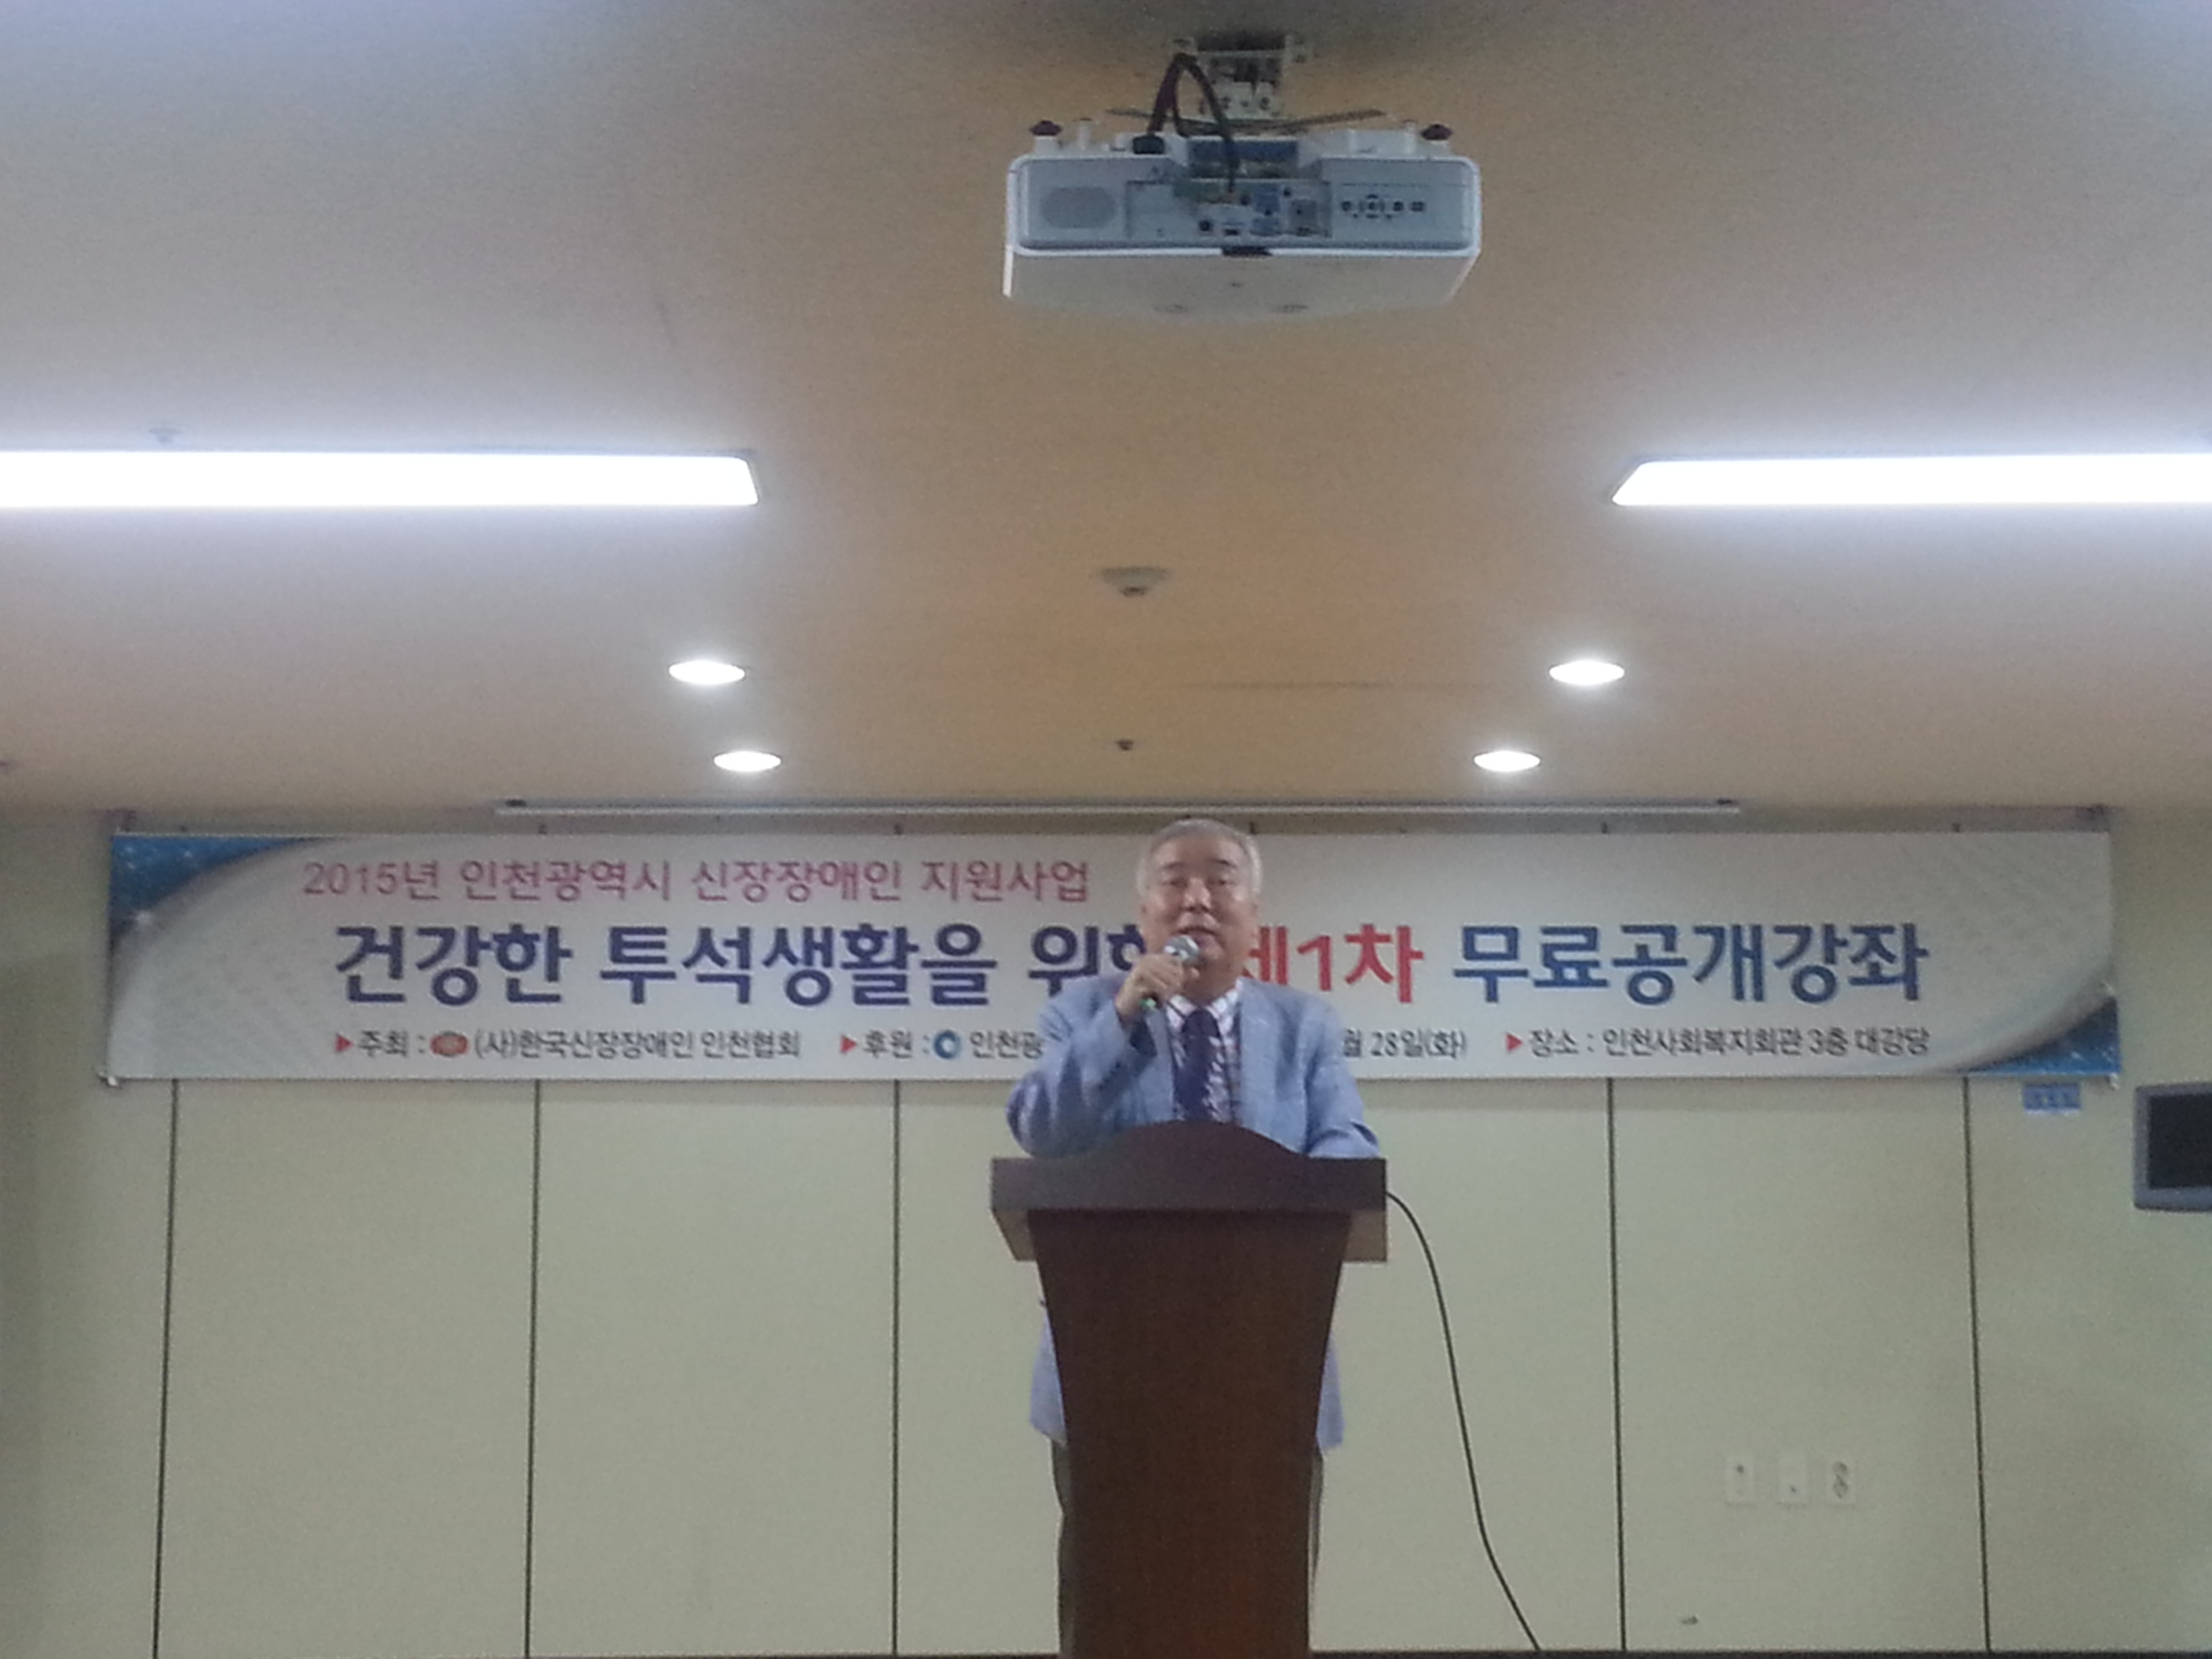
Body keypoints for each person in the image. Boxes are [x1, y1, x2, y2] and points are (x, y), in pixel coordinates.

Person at [1004, 817, 1380, 1647]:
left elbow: (1348, 1146)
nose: (1198, 900)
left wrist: (1306, 1183)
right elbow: (1041, 1132)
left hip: (1269, 1365)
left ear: (1254, 914)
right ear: (1144, 912)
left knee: (1263, 1596)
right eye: (1175, 881)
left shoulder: (1304, 1026)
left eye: (1221, 881)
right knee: (1108, 1601)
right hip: (1110, 1369)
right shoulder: (1082, 1013)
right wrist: (1124, 1017)